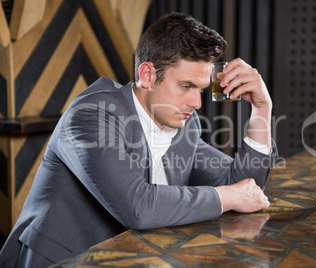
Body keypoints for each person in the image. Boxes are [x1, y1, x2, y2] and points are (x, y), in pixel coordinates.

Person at [0, 12, 278, 267]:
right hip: (59, 260)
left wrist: (261, 109)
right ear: (147, 75)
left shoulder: (185, 125)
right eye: (186, 86)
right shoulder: (91, 114)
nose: (197, 102)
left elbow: (244, 186)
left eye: (202, 89)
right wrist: (228, 196)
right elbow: (139, 206)